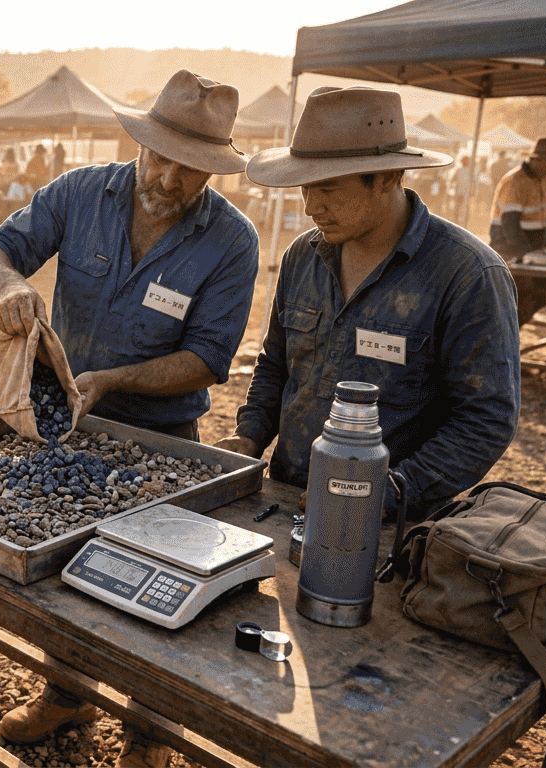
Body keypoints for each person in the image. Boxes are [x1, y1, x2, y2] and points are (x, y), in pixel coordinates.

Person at [0, 69, 259, 768]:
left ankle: (150, 731)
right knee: (66, 574)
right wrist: (8, 285)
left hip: (162, 439)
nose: (169, 178)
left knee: (155, 587)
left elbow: (208, 358)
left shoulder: (232, 240)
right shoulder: (79, 193)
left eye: (190, 169)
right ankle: (67, 694)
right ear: (140, 142)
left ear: (214, 169)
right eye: (159, 157)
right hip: (68, 422)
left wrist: (113, 380)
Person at [216, 85, 520, 525]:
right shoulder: (303, 256)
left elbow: (485, 418)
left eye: (327, 188)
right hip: (285, 497)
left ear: (388, 177)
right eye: (304, 188)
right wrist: (250, 435)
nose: (310, 206)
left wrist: (386, 493)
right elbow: (276, 363)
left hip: (390, 524)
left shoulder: (467, 274)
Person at [489, 137, 546, 326]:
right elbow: (510, 226)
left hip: (533, 254)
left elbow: (541, 224)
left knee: (544, 295)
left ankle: (509, 334)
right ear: (537, 159)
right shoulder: (516, 181)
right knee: (520, 301)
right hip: (511, 252)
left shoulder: (543, 181)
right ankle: (505, 337)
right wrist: (527, 254)